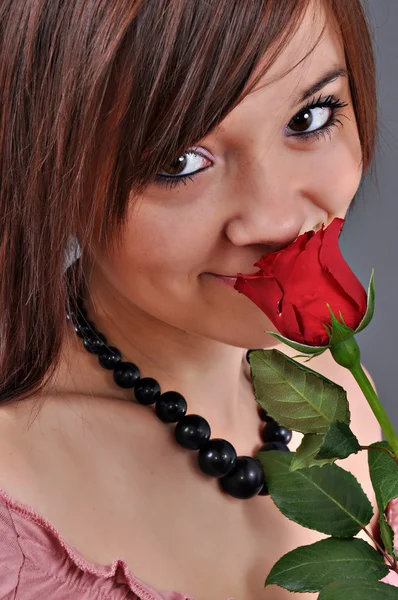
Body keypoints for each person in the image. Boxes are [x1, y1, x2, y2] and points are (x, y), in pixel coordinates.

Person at [0, 0, 388, 598]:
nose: (277, 217)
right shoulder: (14, 501)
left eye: (310, 118)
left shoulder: (334, 380)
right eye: (179, 163)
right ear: (53, 171)